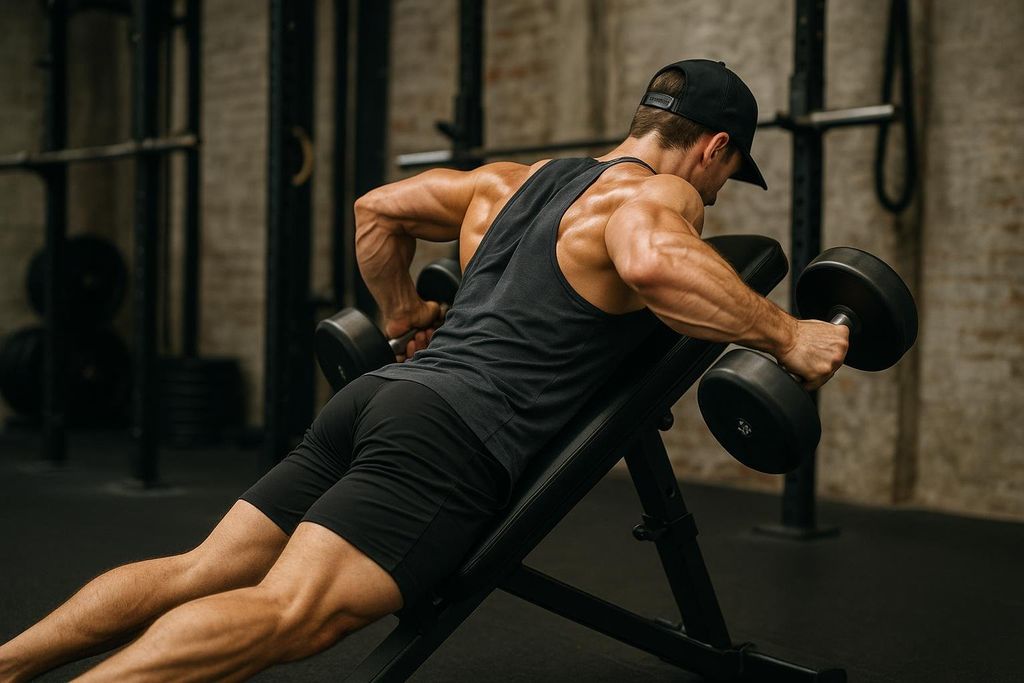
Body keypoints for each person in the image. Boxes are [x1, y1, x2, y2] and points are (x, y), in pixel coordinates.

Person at [0, 59, 848, 682]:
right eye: (731, 172)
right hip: (452, 436)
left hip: (376, 398)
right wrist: (787, 335)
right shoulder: (661, 197)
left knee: (199, 568)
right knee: (288, 612)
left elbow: (377, 208)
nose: (722, 190)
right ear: (715, 148)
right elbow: (657, 262)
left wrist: (401, 313)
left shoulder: (509, 184)